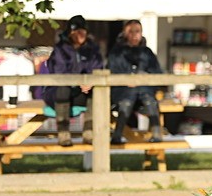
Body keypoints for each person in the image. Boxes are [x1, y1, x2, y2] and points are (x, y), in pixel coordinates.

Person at [46, 15, 104, 146]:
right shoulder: (60, 50)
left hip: (82, 92)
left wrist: (89, 82)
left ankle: (89, 132)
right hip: (58, 93)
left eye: (83, 32)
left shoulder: (93, 50)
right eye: (77, 32)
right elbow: (58, 72)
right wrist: (77, 82)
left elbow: (97, 68)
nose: (80, 35)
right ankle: (63, 132)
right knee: (63, 89)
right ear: (70, 33)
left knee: (97, 93)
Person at [108, 20, 164, 144]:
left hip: (144, 93)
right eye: (131, 31)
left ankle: (156, 132)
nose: (134, 35)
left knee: (148, 96)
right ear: (124, 33)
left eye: (137, 31)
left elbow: (158, 74)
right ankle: (117, 134)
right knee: (129, 96)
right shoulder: (116, 53)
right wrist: (126, 80)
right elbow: (112, 73)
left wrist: (143, 78)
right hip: (121, 93)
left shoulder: (147, 53)